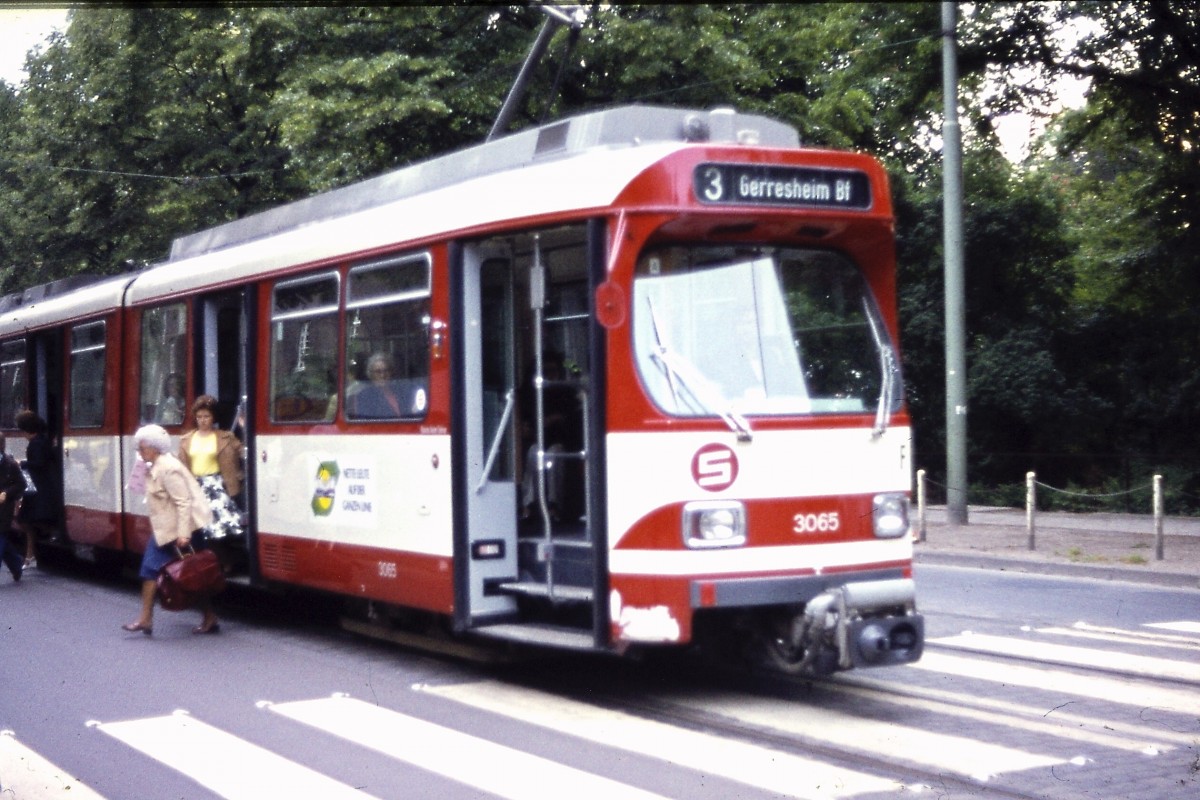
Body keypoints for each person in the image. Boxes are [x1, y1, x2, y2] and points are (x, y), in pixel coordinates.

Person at [123, 424, 219, 635]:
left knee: (192, 574)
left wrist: (184, 534)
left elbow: (183, 502)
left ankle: (209, 615)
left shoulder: (169, 468)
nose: (139, 452)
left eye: (143, 448)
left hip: (181, 530)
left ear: (155, 448)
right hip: (165, 530)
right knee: (160, 571)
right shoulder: (154, 464)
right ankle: (146, 619)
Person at [177, 395, 244, 545]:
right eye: (199, 416)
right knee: (200, 528)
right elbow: (180, 465)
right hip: (195, 486)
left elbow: (244, 452)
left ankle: (225, 560)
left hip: (217, 485)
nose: (202, 420)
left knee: (221, 528)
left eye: (206, 416)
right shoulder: (186, 439)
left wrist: (244, 427)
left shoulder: (225, 437)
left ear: (213, 417)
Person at [14, 410, 59, 568]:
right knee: (29, 520)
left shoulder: (36, 443)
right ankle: (30, 554)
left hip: (40, 487)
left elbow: (39, 464)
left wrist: (22, 463)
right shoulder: (42, 440)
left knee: (27, 520)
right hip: (41, 486)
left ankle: (32, 554)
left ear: (26, 429)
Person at [347, 352, 418, 419]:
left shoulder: (399, 392)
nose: (382, 375)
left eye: (386, 371)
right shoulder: (364, 396)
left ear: (391, 372)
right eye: (378, 372)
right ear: (371, 374)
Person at [0, 433, 27, 582]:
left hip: (3, 508)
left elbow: (22, 484)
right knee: (4, 543)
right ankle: (16, 564)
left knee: (0, 536)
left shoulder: (10, 464)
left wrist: (6, 493)